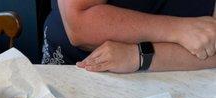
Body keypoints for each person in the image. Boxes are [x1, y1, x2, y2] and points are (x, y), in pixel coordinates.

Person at [42, 0, 216, 72]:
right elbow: (80, 24)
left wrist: (138, 55)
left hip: (182, 77)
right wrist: (178, 29)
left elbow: (210, 44)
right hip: (80, 69)